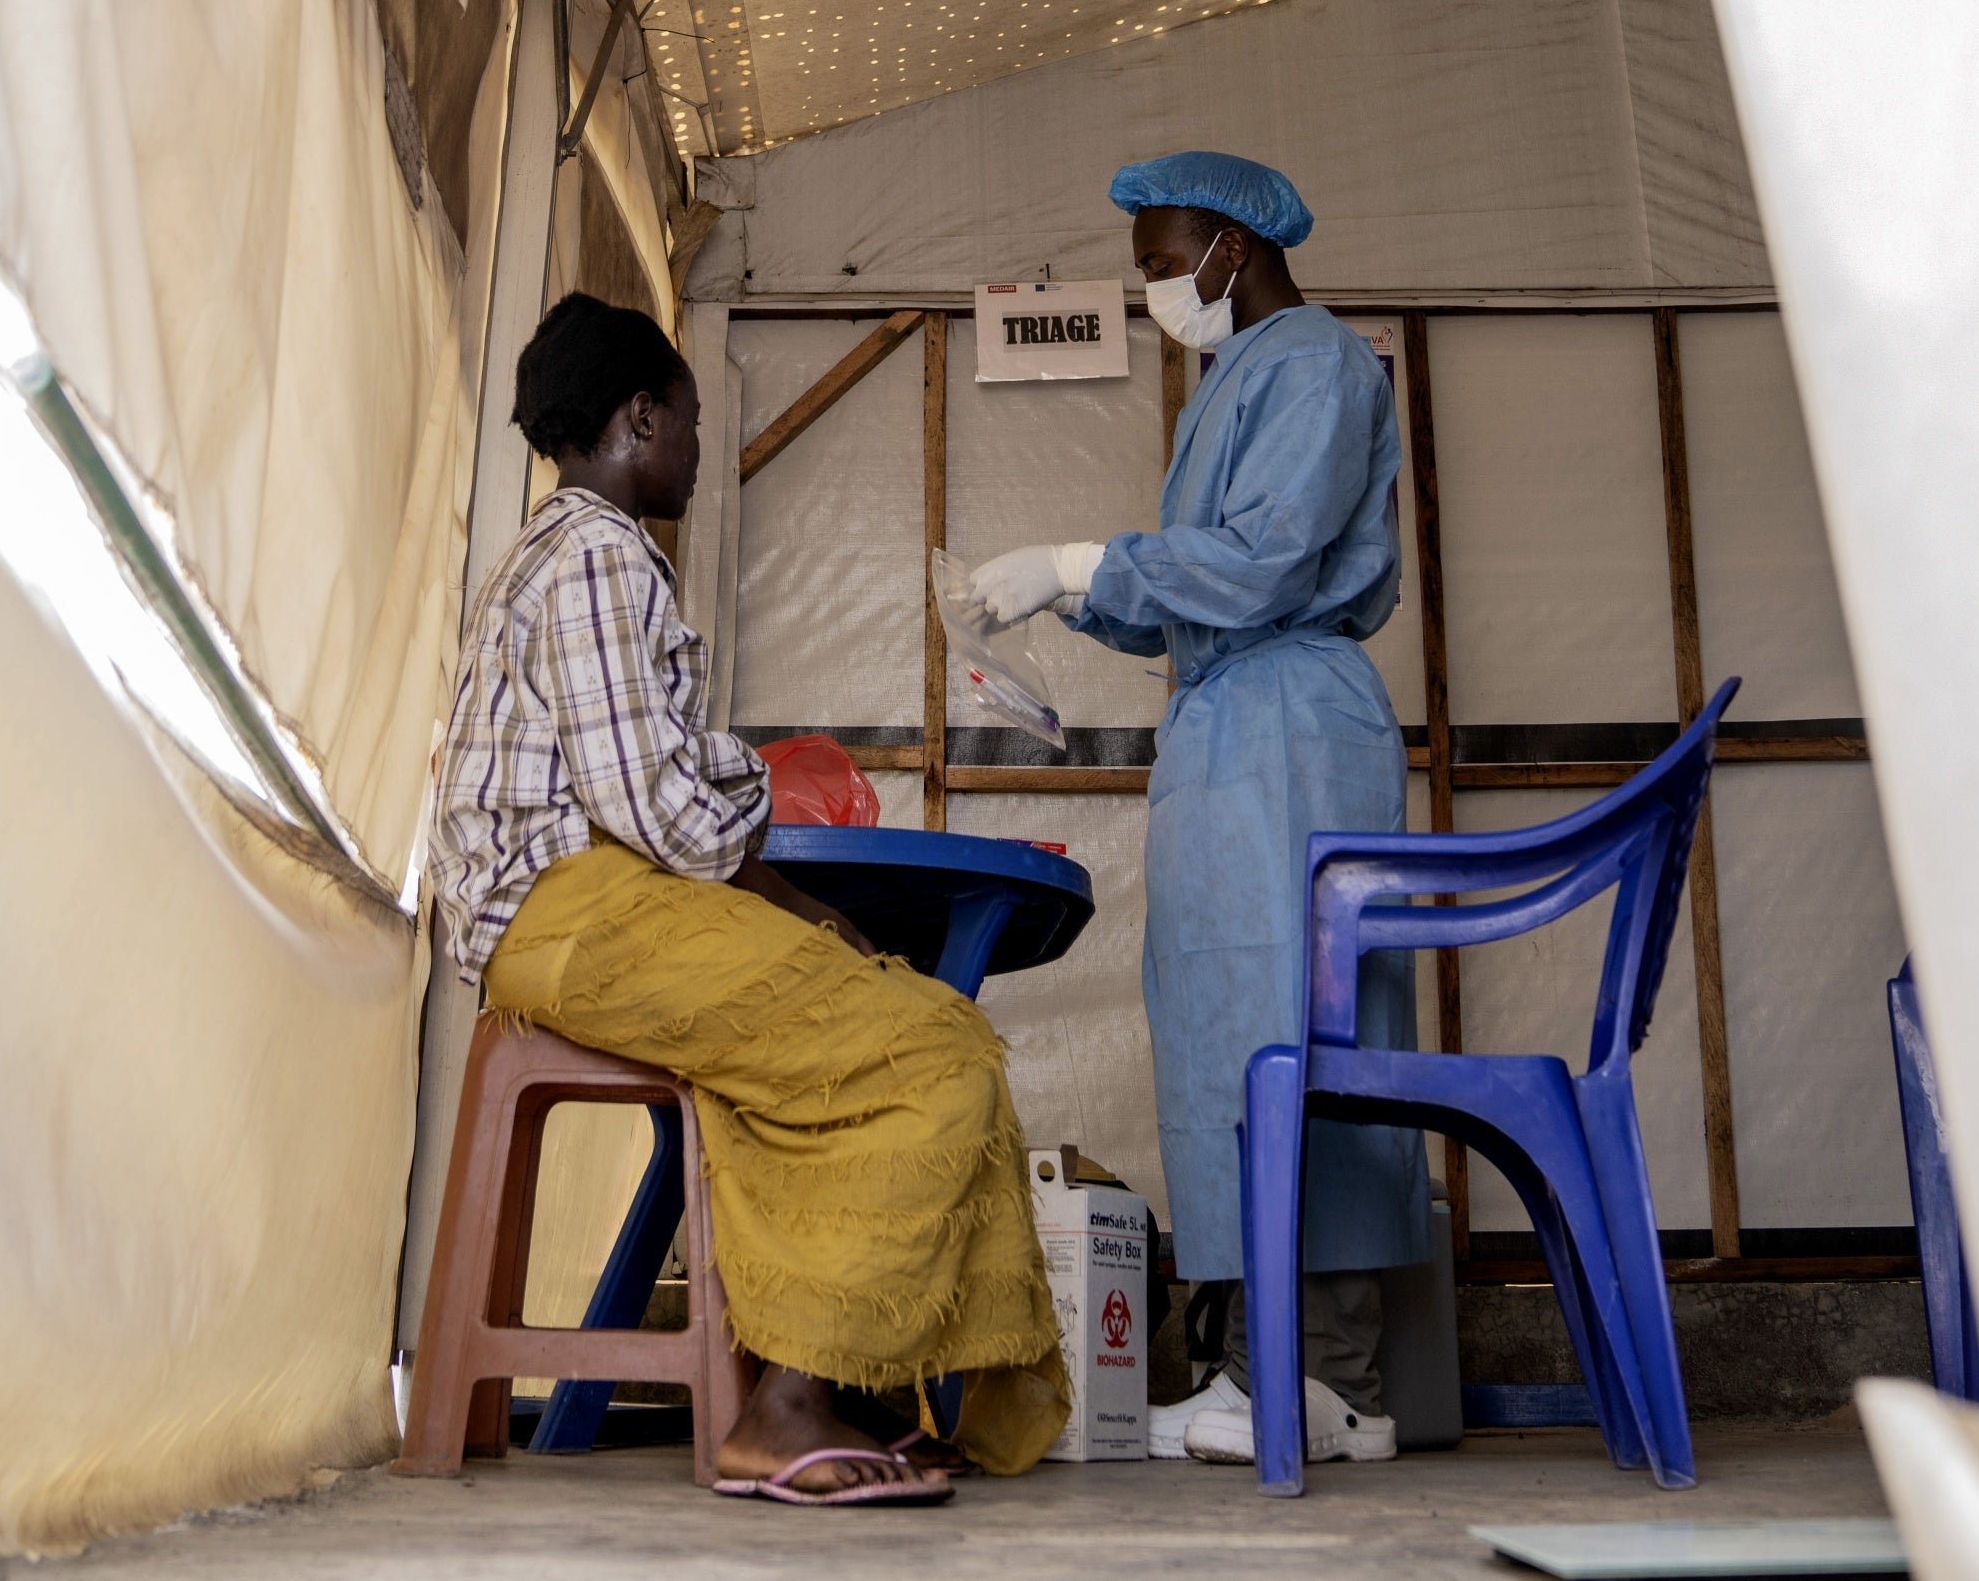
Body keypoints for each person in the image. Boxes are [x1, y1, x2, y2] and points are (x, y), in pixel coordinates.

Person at [429, 292, 1071, 1505]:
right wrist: (777, 866)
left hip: (581, 912)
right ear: (638, 416)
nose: (696, 451)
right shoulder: (601, 555)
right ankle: (786, 1407)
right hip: (571, 917)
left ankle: (858, 1391)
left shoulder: (556, 552)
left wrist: (781, 891)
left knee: (856, 1031)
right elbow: (658, 808)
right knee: (928, 1049)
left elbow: (654, 804)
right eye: (689, 423)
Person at [968, 152, 1429, 1469]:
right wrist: (1065, 595)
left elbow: (1264, 561)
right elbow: (1190, 594)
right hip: (1229, 726)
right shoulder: (1233, 379)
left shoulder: (1315, 362)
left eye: (1164, 263)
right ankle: (1259, 1367)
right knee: (1228, 1044)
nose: (1154, 289)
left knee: (1300, 1037)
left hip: (1290, 730)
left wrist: (1082, 558)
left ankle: (1328, 1377)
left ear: (1232, 244)